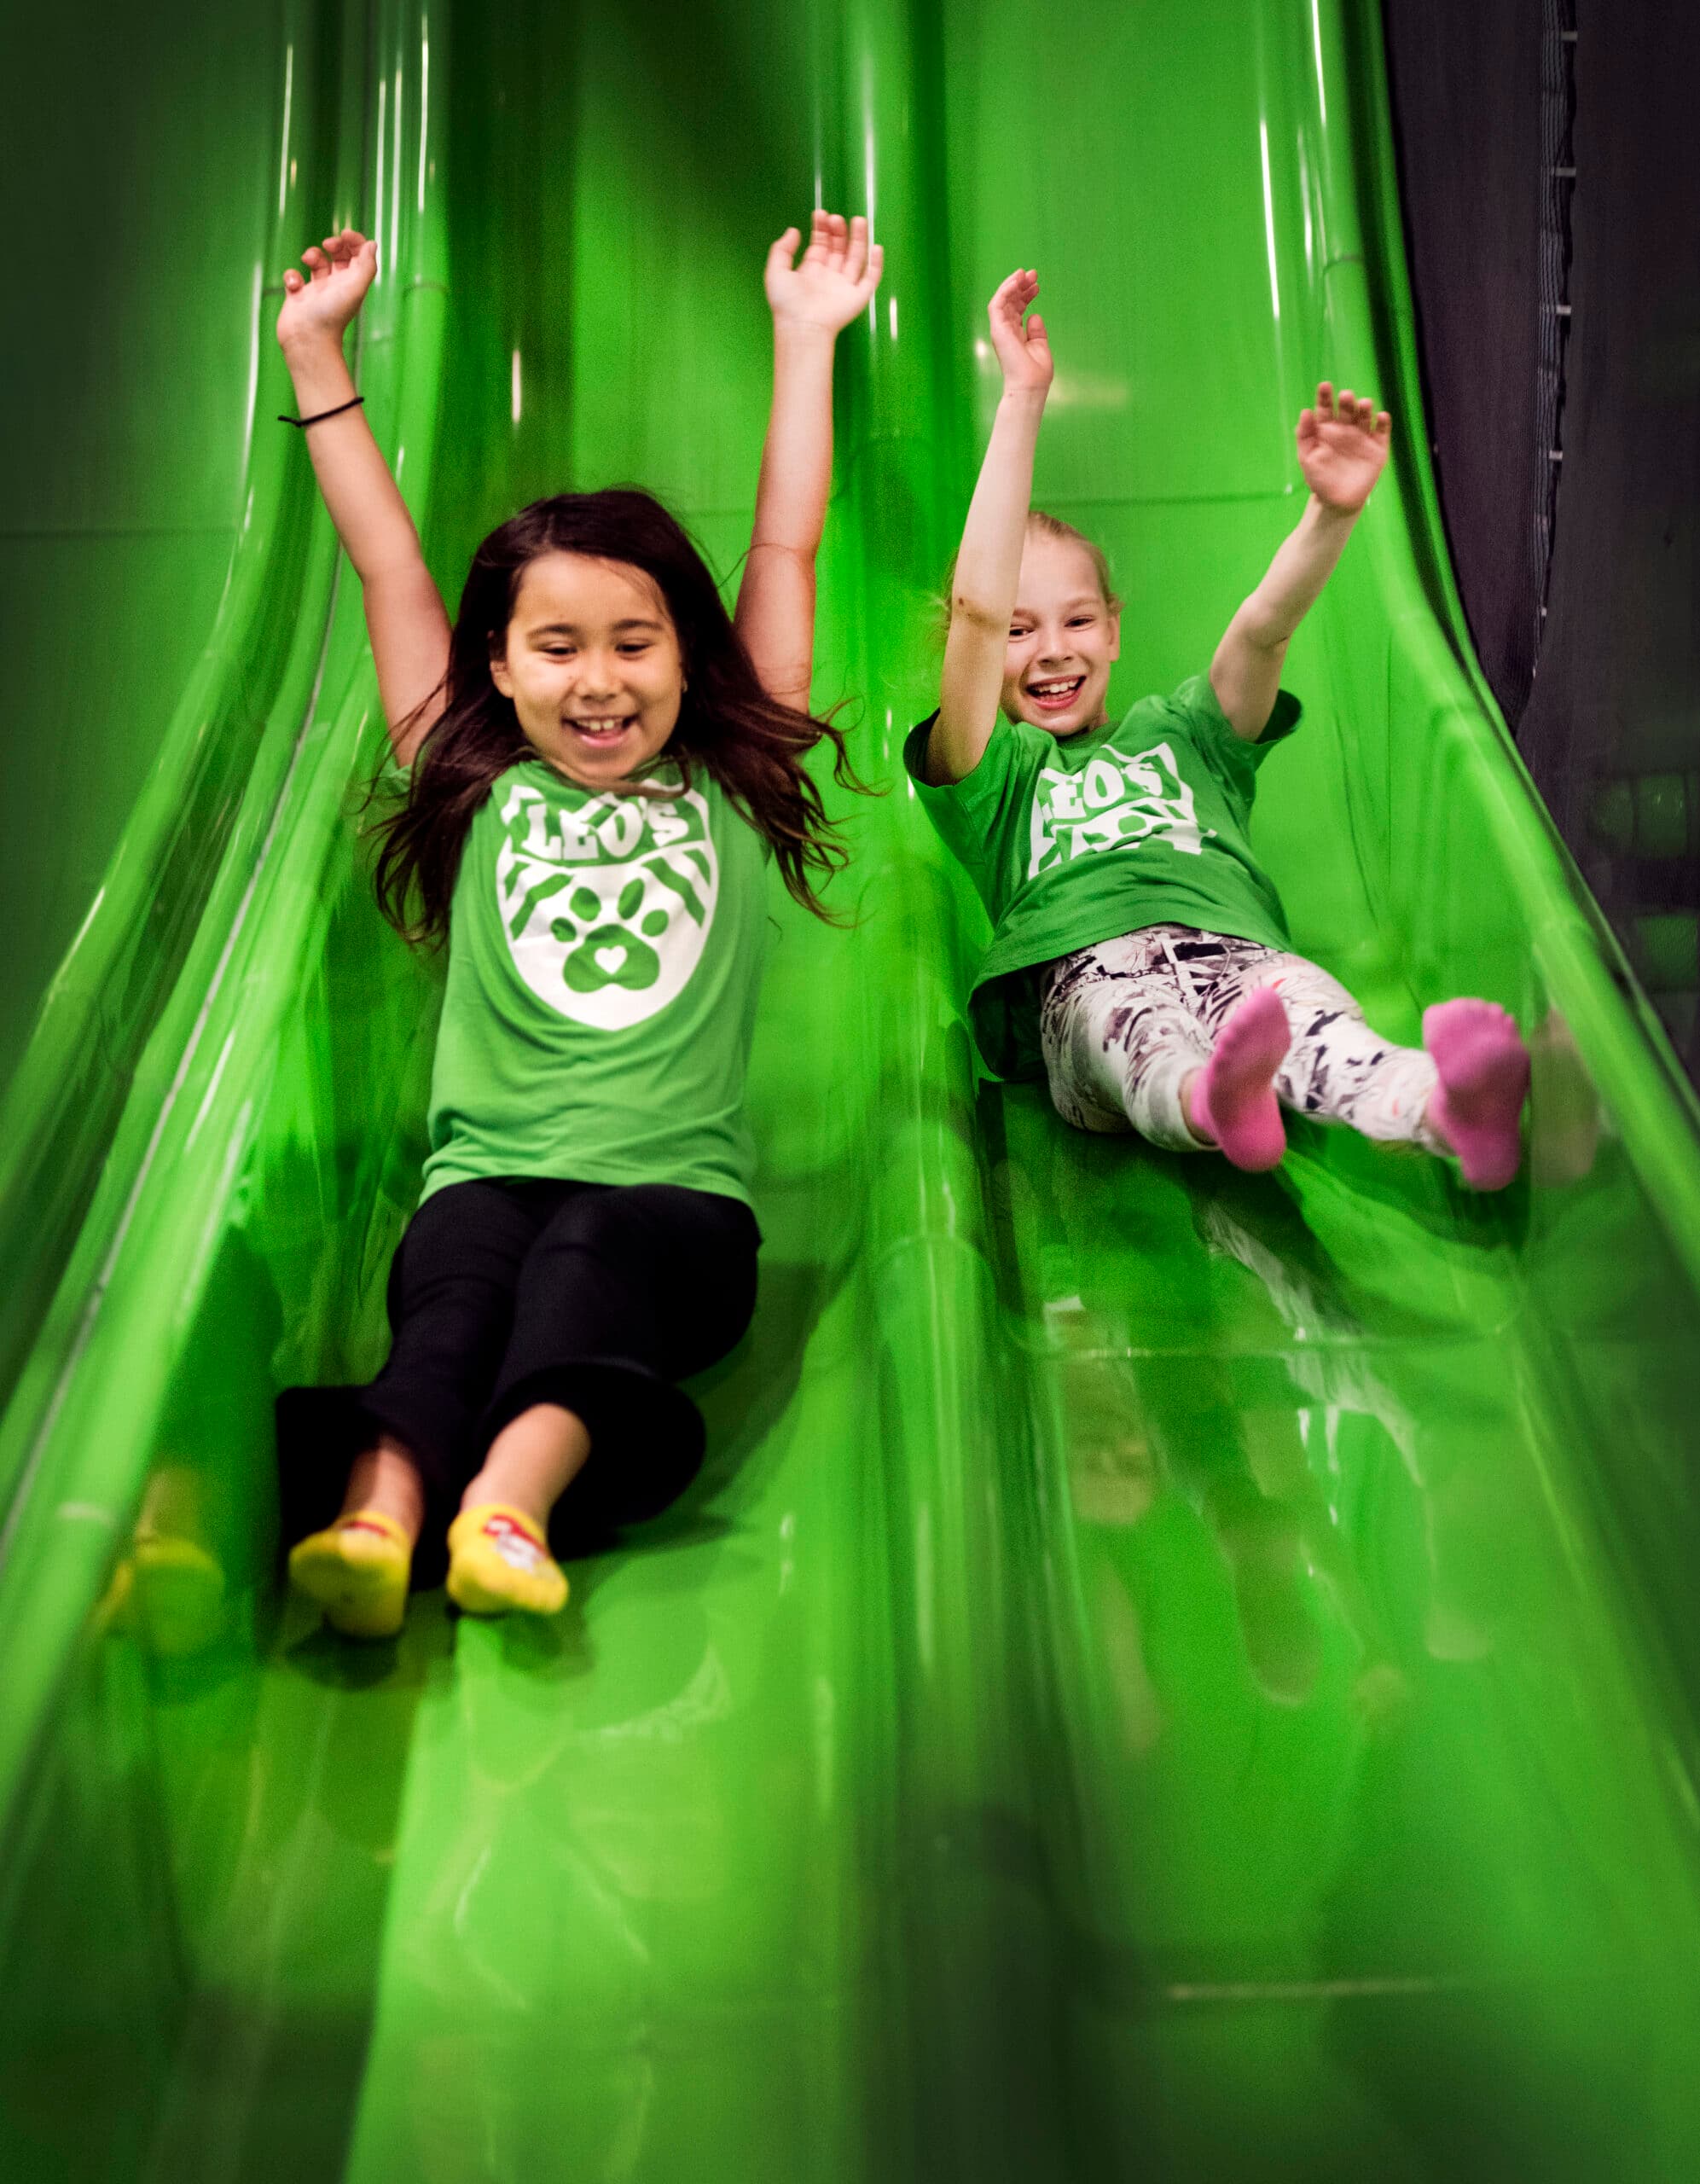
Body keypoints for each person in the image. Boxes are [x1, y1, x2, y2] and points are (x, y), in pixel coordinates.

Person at [273, 212, 883, 1636]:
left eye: (634, 642)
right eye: (556, 647)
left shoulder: (732, 778)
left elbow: (785, 544)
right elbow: (388, 569)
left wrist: (803, 341)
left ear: (688, 654)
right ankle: (375, 1526)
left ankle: (507, 1510)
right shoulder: (468, 778)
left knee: (582, 1264)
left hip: (675, 1215)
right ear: (500, 662)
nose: (597, 681)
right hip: (481, 1182)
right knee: (452, 1302)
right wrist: (316, 355)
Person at [907, 267, 1529, 1188]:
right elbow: (971, 610)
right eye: (1017, 629)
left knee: (1315, 1015)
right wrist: (1023, 399)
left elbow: (1261, 630)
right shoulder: (993, 776)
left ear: (1114, 629)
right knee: (1131, 1038)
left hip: (1241, 953)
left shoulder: (1184, 731)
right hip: (1087, 972)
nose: (1050, 651)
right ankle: (1208, 1102)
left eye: (1077, 621)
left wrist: (1331, 513)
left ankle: (1438, 1102)